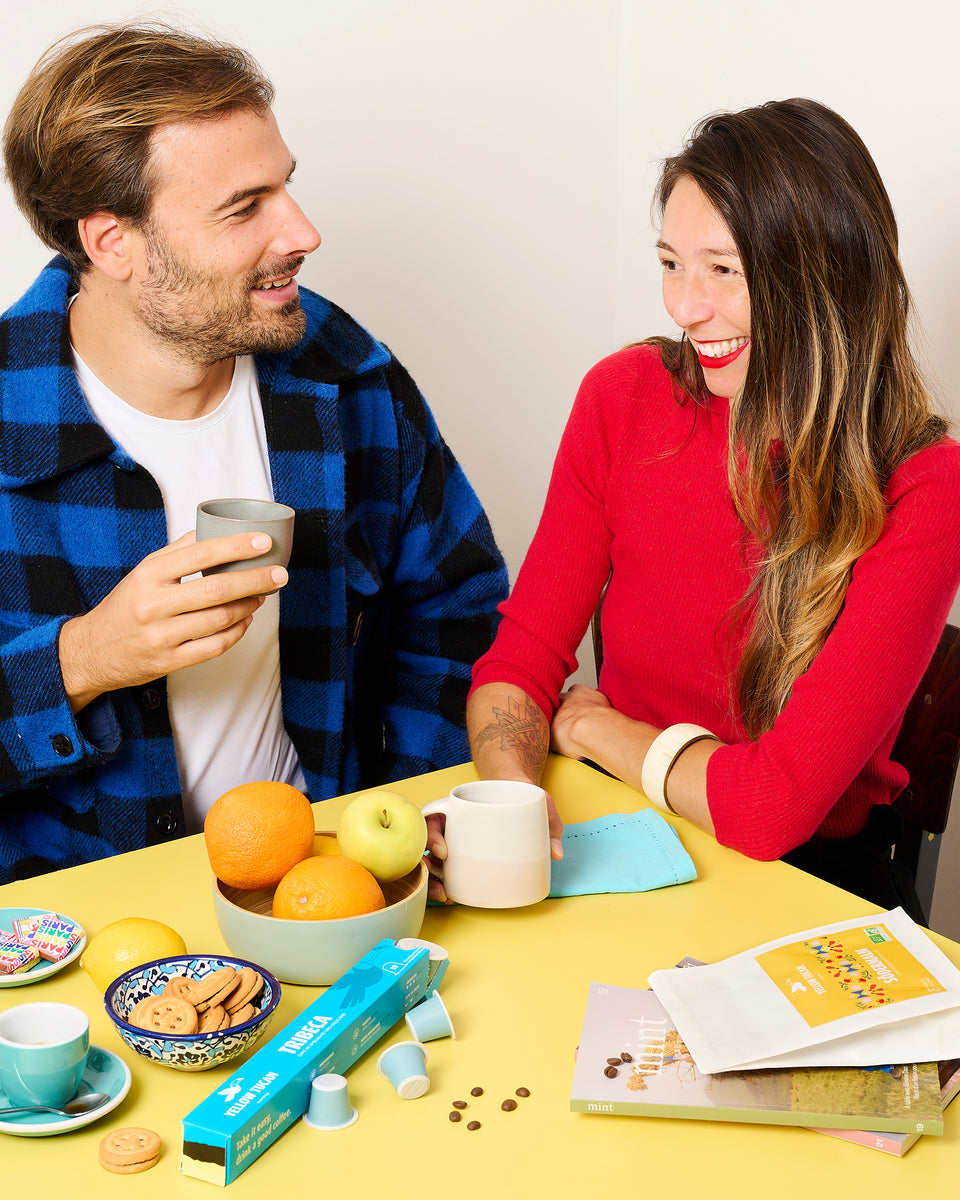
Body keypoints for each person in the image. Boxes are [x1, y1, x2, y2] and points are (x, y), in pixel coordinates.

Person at [0, 23, 507, 882]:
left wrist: (399, 828)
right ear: (111, 242)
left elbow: (458, 614)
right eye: (245, 208)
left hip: (325, 892)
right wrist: (84, 660)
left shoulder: (346, 374)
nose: (303, 231)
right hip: (75, 942)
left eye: (287, 188)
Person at [458, 98, 960, 916]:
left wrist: (591, 730)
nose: (684, 308)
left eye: (723, 270)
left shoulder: (926, 483)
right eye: (670, 263)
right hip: (621, 833)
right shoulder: (622, 399)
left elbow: (771, 811)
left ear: (825, 277)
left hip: (805, 886)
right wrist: (515, 803)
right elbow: (518, 666)